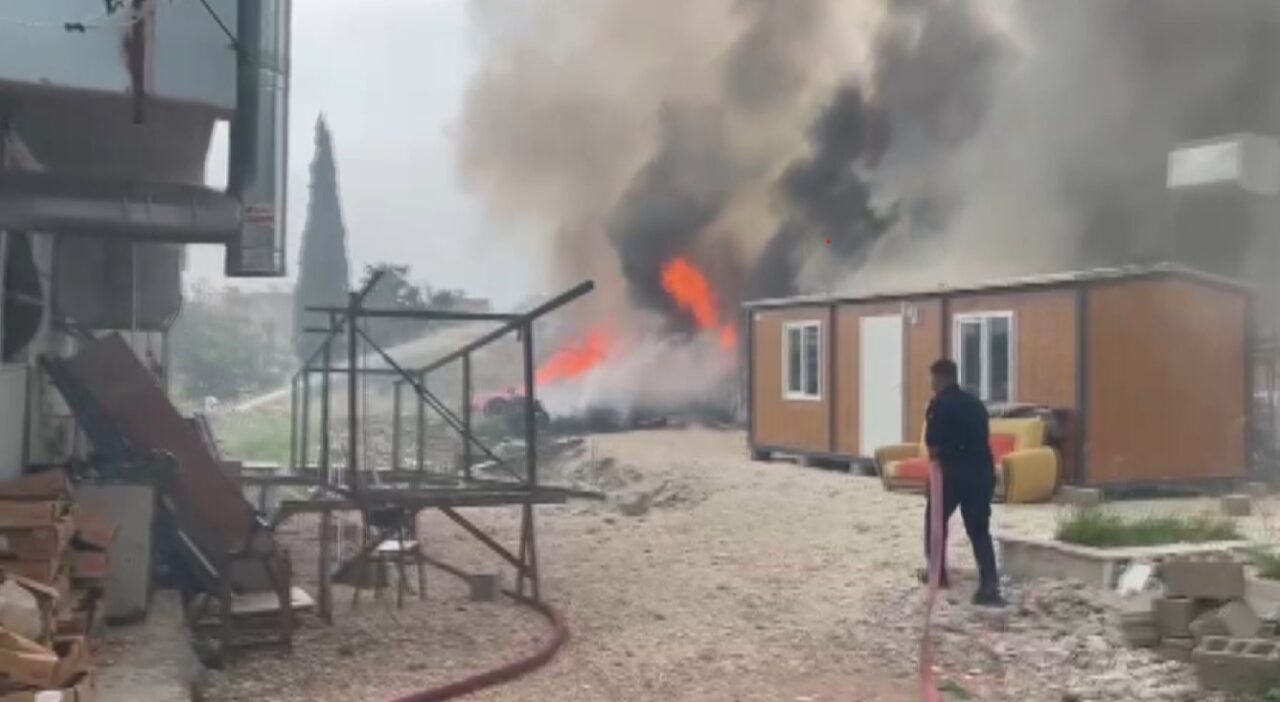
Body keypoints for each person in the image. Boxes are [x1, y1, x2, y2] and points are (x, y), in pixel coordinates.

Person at [920, 358, 1005, 607]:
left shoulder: (938, 405)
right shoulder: (976, 404)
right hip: (980, 473)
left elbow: (933, 447)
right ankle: (989, 585)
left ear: (939, 378)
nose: (931, 383)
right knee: (979, 529)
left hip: (952, 473)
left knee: (936, 523)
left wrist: (933, 478)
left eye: (932, 378)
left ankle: (937, 573)